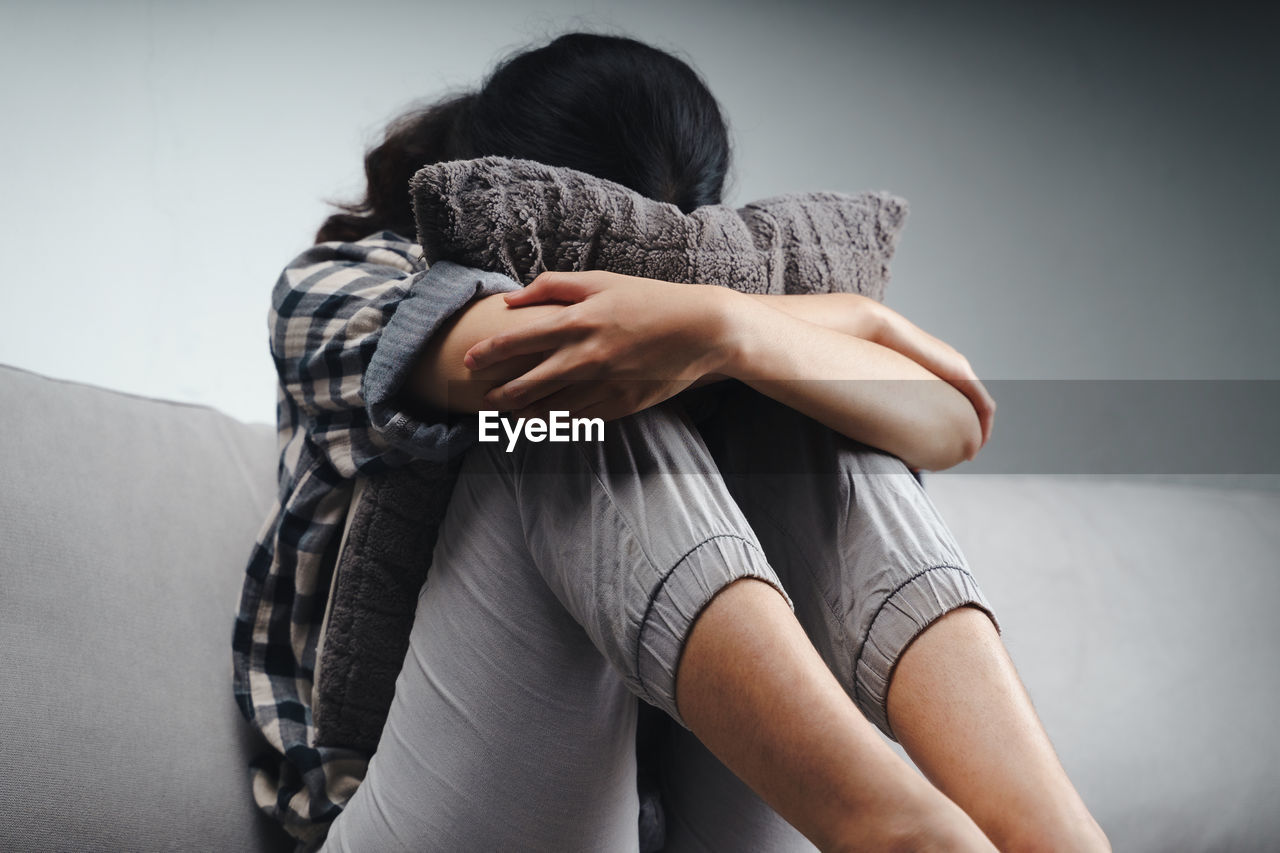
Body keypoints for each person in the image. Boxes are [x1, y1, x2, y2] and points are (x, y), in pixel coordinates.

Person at [234, 32, 1110, 852]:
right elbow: (524, 351)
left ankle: (1054, 837)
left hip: (675, 820)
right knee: (562, 400)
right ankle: (897, 827)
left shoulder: (712, 319)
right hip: (426, 811)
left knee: (787, 407)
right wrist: (829, 318)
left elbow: (955, 422)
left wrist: (734, 330)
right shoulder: (342, 279)